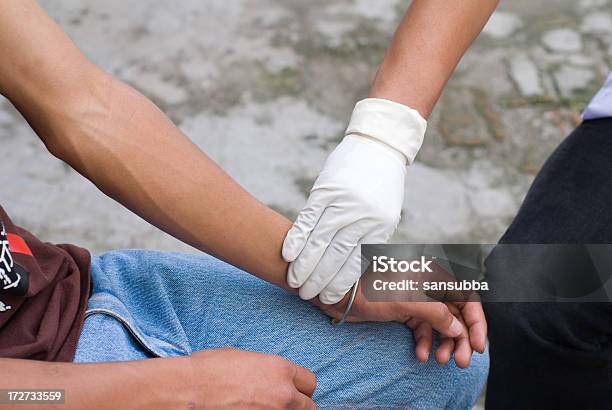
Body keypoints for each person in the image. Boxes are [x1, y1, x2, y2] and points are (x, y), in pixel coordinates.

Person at [0, 1, 488, 409]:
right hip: (40, 388)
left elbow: (85, 110)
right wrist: (176, 389)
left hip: (54, 295)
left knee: (444, 363)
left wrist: (332, 277)